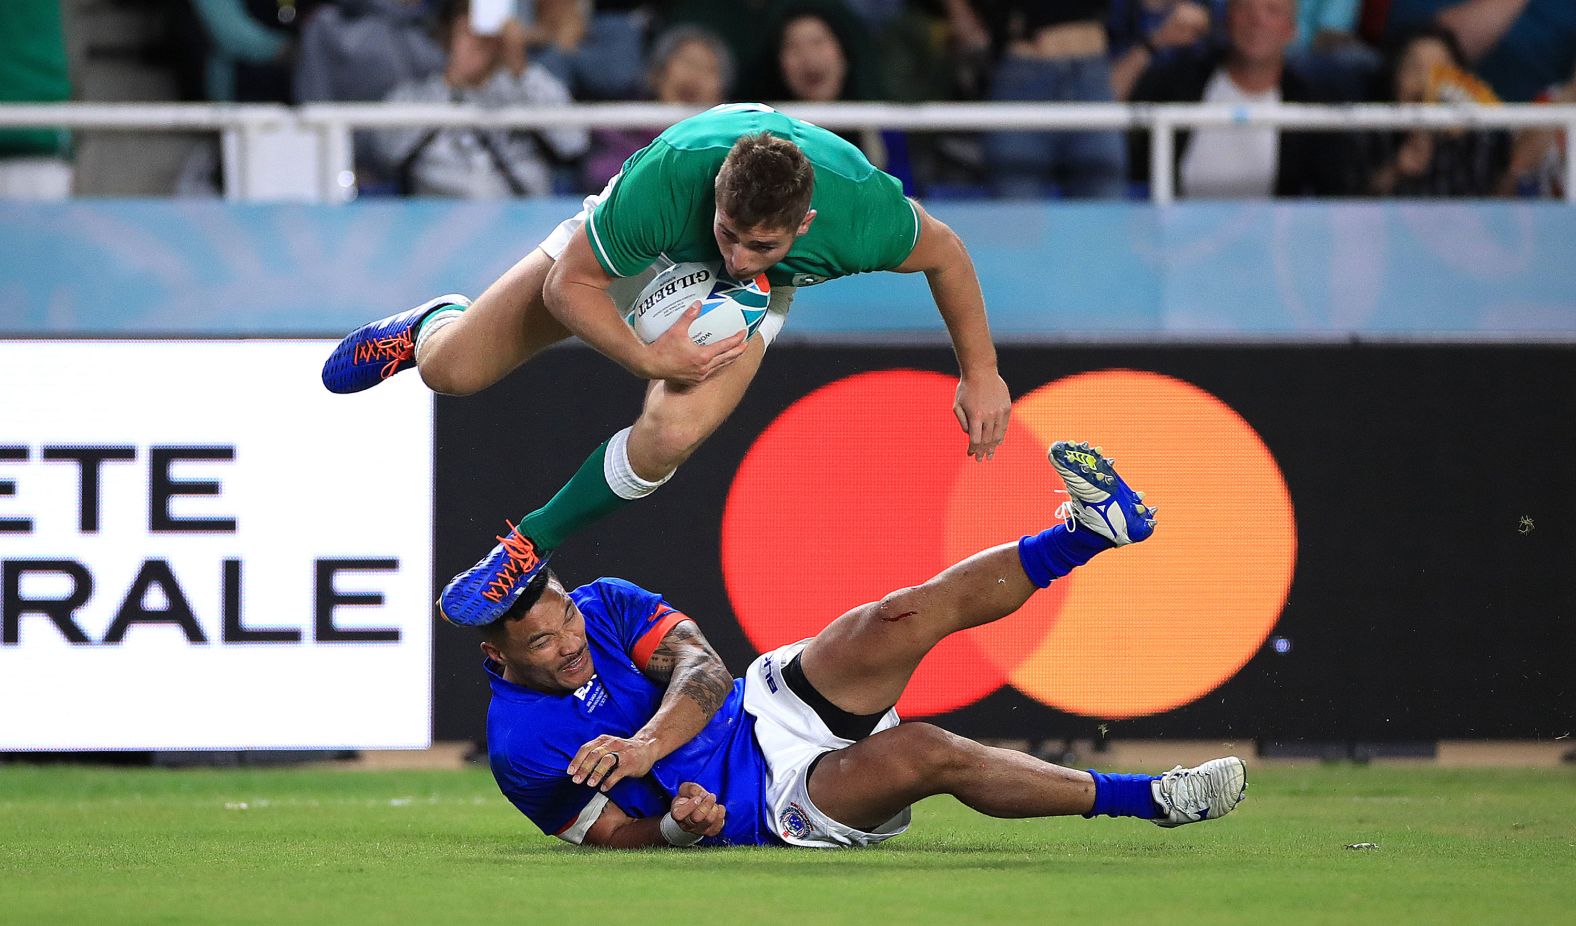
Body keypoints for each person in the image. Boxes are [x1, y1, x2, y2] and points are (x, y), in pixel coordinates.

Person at [321, 102, 1013, 626]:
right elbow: (571, 285)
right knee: (454, 372)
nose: (739, 258)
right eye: (731, 235)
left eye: (762, 245)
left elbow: (947, 253)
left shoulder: (863, 216)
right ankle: (428, 327)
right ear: (716, 196)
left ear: (803, 228)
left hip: (753, 304)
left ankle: (530, 544)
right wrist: (649, 355)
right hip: (637, 257)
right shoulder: (668, 181)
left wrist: (981, 371)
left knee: (673, 434)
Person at [480, 441, 1247, 848]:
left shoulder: (604, 603)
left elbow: (705, 671)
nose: (570, 641)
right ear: (497, 659)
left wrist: (646, 747)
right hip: (769, 805)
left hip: (759, 708)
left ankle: (1085, 532)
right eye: (544, 644)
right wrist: (679, 827)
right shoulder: (519, 744)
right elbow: (606, 833)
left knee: (898, 616)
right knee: (926, 753)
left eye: (566, 620)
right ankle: (1156, 799)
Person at [1129, 0, 1356, 197]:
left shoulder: (1311, 105)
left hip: (1274, 241)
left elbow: (1339, 193)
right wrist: (1153, 44)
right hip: (1175, 238)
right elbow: (1113, 126)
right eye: (1244, 8)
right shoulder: (1178, 81)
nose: (1257, 21)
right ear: (1226, 19)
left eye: (1273, 10)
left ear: (1292, 29)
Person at [370, 0, 588, 198]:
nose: (479, 41)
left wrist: (520, 69)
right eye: (467, 32)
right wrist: (453, 80)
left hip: (523, 223)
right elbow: (386, 152)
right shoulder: (415, 95)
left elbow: (574, 143)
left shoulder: (529, 86)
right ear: (447, 36)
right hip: (437, 225)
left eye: (487, 32)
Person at [950, 0, 1129, 199]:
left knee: (1104, 212)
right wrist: (961, 16)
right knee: (1017, 216)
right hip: (1023, 75)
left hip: (1091, 77)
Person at [1359, 26, 1509, 197]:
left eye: (1439, 70)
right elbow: (1345, 211)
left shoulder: (1480, 138)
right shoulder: (1369, 128)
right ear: (1394, 77)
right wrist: (1395, 171)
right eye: (1414, 68)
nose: (1425, 82)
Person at [581, 25, 734, 193]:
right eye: (688, 62)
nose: (695, 75)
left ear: (721, 93)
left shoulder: (731, 146)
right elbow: (601, 177)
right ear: (657, 75)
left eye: (708, 69)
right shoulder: (620, 128)